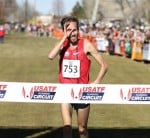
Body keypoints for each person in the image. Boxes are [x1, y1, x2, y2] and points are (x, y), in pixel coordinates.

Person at [48, 16, 108, 138]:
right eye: (69, 30)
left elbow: (104, 66)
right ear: (64, 31)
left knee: (82, 130)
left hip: (82, 93)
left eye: (74, 30)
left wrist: (97, 82)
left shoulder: (86, 45)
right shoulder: (62, 45)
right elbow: (50, 56)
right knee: (67, 128)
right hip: (65, 92)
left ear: (78, 30)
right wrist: (64, 37)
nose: (72, 33)